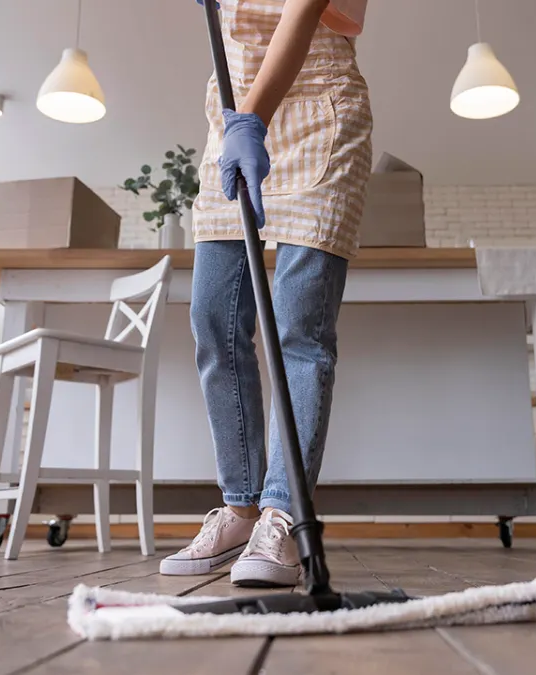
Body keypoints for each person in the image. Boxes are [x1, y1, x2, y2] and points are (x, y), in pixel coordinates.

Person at [160, 0, 371, 586]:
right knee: (213, 322)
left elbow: (303, 12)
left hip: (319, 113)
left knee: (299, 329)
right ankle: (241, 506)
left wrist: (252, 121)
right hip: (230, 122)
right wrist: (240, 124)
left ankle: (283, 514)